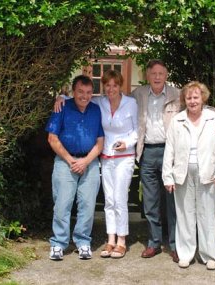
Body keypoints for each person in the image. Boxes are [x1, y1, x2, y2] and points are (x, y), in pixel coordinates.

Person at [132, 59, 215, 262]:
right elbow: (115, 101)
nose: (157, 77)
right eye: (153, 73)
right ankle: (153, 243)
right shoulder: (138, 94)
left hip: (174, 152)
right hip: (148, 151)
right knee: (150, 202)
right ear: (147, 76)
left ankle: (176, 246)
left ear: (166, 75)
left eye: (161, 73)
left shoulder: (177, 94)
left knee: (175, 203)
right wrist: (62, 97)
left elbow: (202, 106)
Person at [54, 70, 138, 259]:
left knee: (119, 198)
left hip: (124, 156)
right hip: (105, 156)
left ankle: (121, 241)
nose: (110, 89)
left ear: (120, 86)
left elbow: (136, 130)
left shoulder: (130, 103)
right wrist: (60, 96)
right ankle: (110, 240)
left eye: (114, 85)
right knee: (109, 200)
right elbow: (76, 97)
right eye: (107, 85)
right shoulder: (99, 102)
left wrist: (127, 143)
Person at [162, 81, 215, 270]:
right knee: (184, 215)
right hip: (182, 173)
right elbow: (170, 150)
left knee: (207, 215)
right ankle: (186, 254)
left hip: (207, 173)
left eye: (196, 97)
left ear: (203, 98)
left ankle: (210, 256)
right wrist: (168, 176)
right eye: (189, 97)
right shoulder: (177, 120)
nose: (192, 101)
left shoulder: (213, 118)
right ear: (184, 99)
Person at [46, 75, 104, 261]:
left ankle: (82, 241)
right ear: (73, 91)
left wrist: (86, 161)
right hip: (65, 161)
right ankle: (58, 243)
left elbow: (100, 142)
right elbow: (52, 139)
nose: (84, 96)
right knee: (62, 203)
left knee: (87, 204)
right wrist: (71, 160)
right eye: (80, 92)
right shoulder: (61, 107)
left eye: (88, 92)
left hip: (90, 162)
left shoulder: (96, 110)